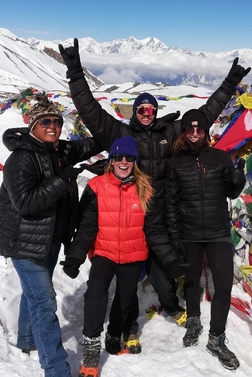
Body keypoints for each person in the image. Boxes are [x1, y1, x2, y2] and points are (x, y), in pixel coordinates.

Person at [58, 38, 250, 343]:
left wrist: (229, 84)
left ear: (156, 111)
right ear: (135, 112)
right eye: (141, 109)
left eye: (151, 109)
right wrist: (75, 73)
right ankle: (130, 325)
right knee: (128, 278)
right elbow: (91, 112)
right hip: (129, 216)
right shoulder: (120, 134)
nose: (147, 113)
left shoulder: (170, 132)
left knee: (164, 273)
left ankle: (171, 305)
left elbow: (204, 115)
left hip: (160, 217)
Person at [0, 93, 101, 377]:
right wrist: (61, 181)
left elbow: (93, 144)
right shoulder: (21, 159)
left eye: (56, 121)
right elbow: (25, 204)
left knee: (34, 296)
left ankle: (27, 340)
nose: (52, 126)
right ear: (33, 127)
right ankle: (56, 370)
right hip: (25, 243)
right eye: (45, 122)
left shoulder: (60, 151)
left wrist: (124, 132)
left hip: (49, 240)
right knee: (44, 303)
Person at [60, 136, 184, 377]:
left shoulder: (146, 190)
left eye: (129, 158)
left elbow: (155, 231)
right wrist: (75, 256)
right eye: (118, 157)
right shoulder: (97, 186)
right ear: (111, 160)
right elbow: (86, 226)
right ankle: (91, 350)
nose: (123, 162)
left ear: (135, 161)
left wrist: (171, 259)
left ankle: (114, 333)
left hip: (133, 254)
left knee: (125, 300)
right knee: (95, 294)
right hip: (103, 252)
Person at [165, 109, 247, 371]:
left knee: (223, 285)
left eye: (199, 129)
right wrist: (175, 236)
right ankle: (194, 322)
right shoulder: (175, 163)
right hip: (188, 233)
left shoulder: (220, 158)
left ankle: (216, 338)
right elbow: (170, 202)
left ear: (206, 132)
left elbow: (231, 192)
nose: (195, 134)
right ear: (184, 132)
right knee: (191, 281)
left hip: (217, 232)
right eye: (190, 129)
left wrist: (238, 180)